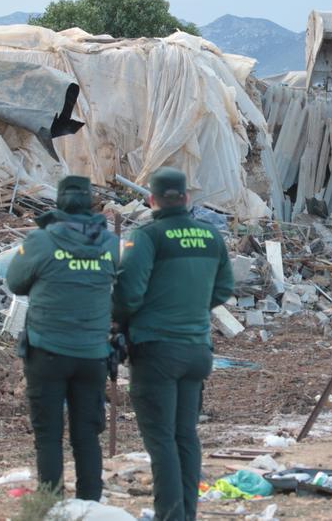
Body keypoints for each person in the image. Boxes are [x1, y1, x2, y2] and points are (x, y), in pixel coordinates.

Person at [115, 167, 234, 521]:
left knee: (161, 440)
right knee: (186, 436)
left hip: (157, 350)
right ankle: (187, 515)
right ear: (186, 198)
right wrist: (192, 308)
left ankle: (171, 516)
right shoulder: (211, 236)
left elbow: (128, 293)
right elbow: (224, 288)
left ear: (151, 199)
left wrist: (121, 320)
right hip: (197, 349)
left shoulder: (148, 236)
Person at [7, 176, 118, 500]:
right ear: (90, 201)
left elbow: (15, 282)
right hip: (93, 353)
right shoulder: (110, 244)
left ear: (58, 201)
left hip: (47, 350)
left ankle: (51, 504)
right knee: (87, 434)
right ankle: (90, 504)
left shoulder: (40, 241)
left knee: (48, 435)